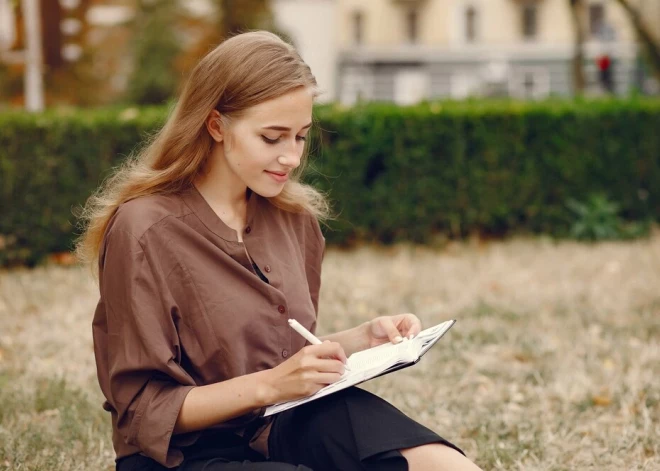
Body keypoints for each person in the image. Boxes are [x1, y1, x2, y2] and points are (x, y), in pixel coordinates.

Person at [75, 31, 483, 471]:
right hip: (182, 456)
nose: (291, 157)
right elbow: (142, 410)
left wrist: (361, 340)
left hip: (281, 422)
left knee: (434, 462)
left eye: (301, 137)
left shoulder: (295, 219)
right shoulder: (144, 229)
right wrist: (272, 386)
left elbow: (277, 356)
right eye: (272, 138)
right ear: (215, 126)